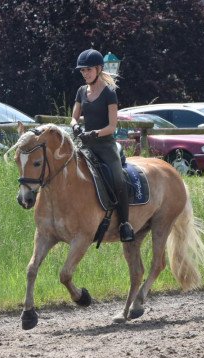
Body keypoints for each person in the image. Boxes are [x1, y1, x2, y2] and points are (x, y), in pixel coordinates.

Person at [71, 48, 135, 243]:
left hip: (105, 146)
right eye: (82, 71)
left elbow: (112, 126)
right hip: (85, 145)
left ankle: (125, 224)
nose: (85, 74)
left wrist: (94, 133)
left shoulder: (109, 93)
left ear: (98, 69)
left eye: (88, 70)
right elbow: (73, 117)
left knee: (118, 180)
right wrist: (75, 127)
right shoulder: (81, 91)